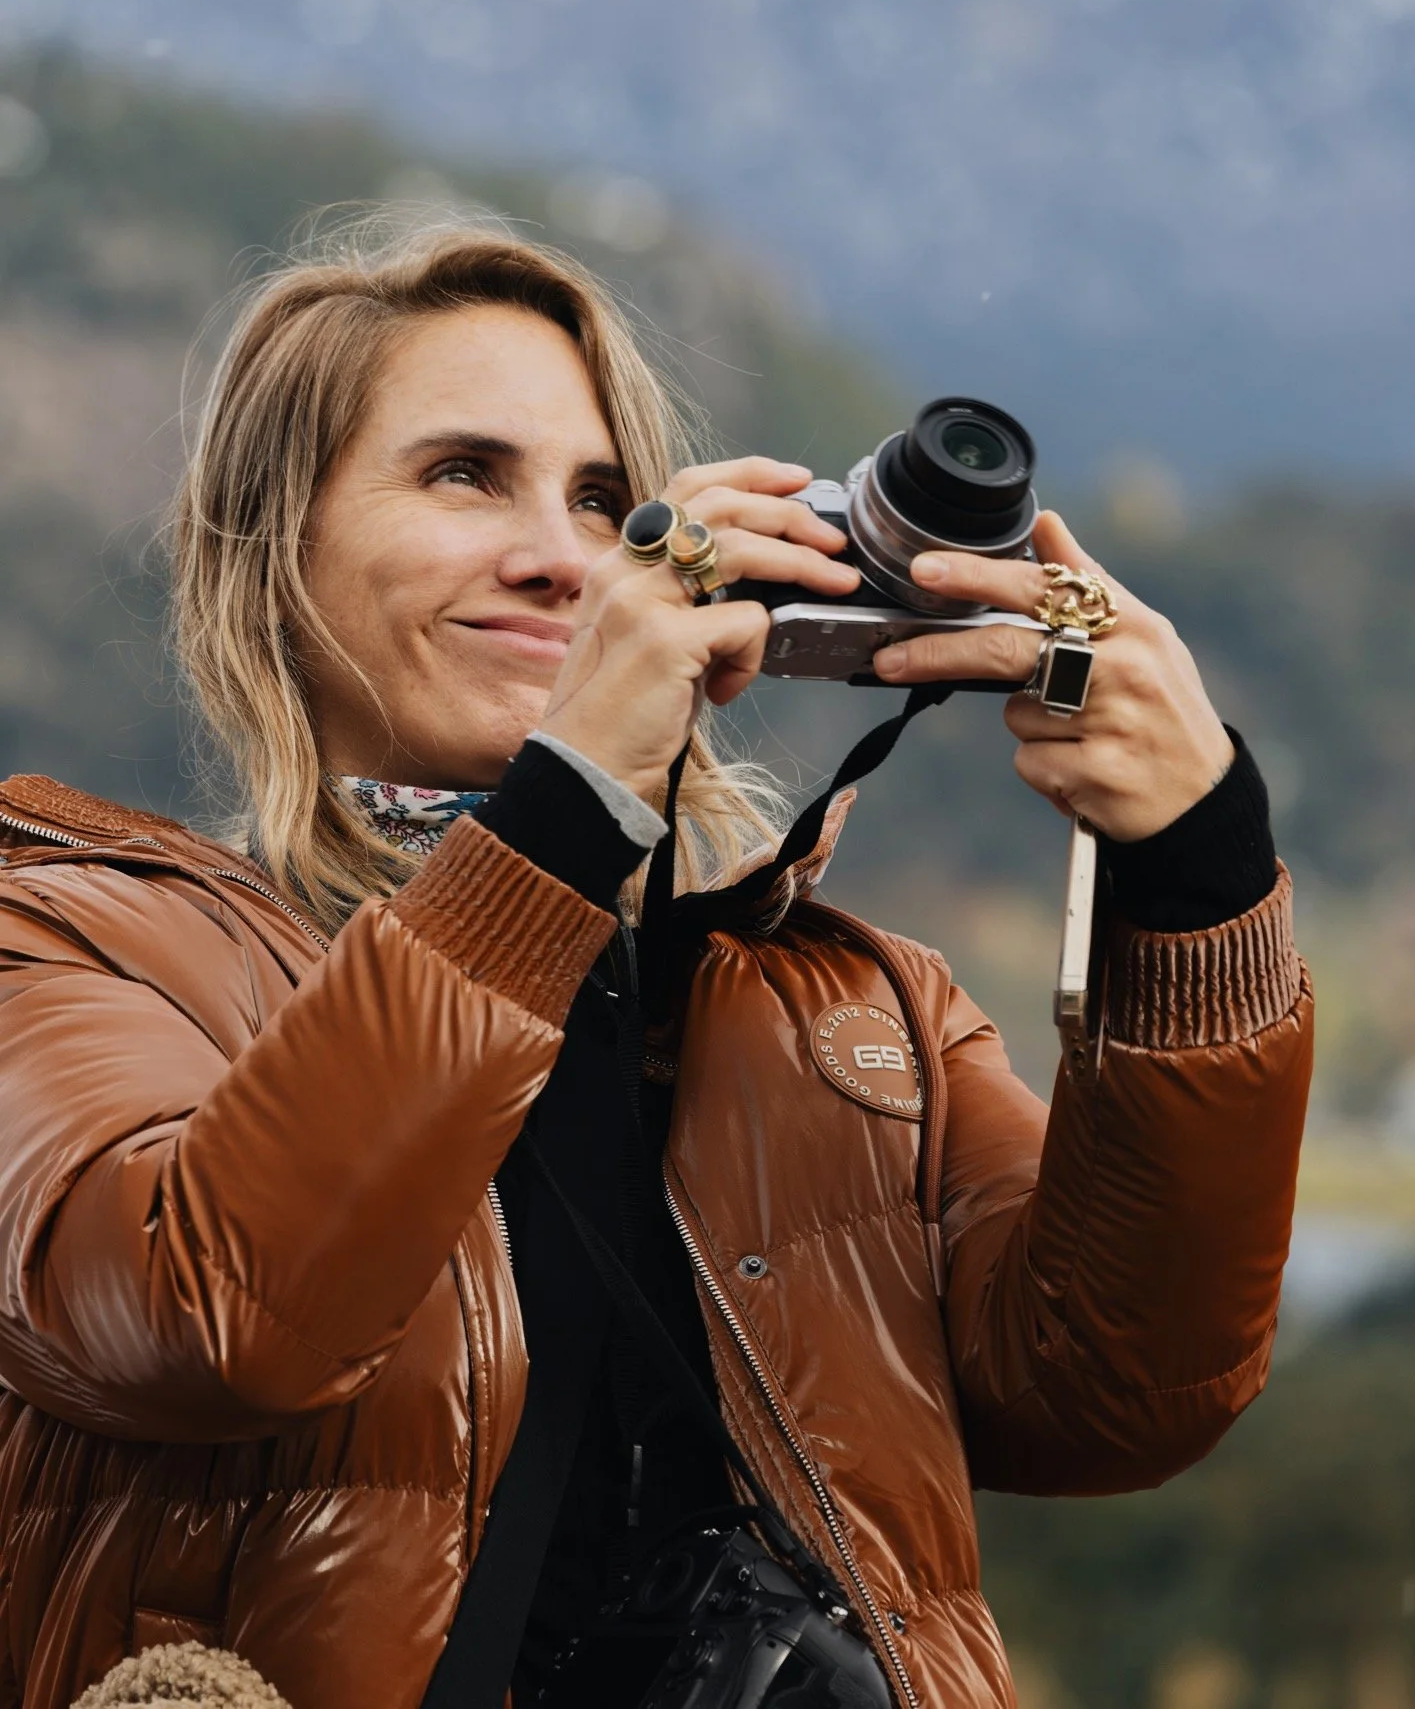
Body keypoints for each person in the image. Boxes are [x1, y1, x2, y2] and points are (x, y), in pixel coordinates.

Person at [0, 217, 1312, 1709]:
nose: (560, 557)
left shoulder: (851, 1016)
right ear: (271, 553)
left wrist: (1198, 870)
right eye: (462, 474)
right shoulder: (73, 937)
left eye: (604, 499)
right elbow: (207, 1318)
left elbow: (1119, 1393)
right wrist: (562, 818)